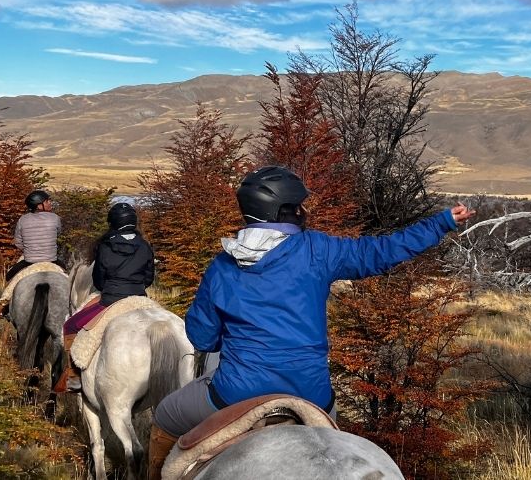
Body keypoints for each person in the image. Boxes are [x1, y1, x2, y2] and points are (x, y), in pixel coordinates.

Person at [145, 166, 475, 480]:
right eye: (299, 206)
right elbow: (380, 252)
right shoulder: (317, 249)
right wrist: (441, 223)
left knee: (165, 418)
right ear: (286, 210)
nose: (303, 211)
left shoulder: (223, 265)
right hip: (312, 394)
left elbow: (202, 338)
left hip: (236, 393)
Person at [54, 202, 156, 393]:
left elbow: (99, 280)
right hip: (140, 297)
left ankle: (74, 377)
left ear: (113, 223)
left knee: (71, 325)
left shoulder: (105, 246)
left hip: (111, 299)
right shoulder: (144, 246)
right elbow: (149, 278)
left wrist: (110, 288)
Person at [5, 190, 62, 283]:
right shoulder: (55, 218)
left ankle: (5, 297)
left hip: (29, 261)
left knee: (8, 277)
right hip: (51, 260)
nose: (50, 203)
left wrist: (30, 249)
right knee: (66, 274)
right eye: (47, 201)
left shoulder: (22, 219)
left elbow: (17, 242)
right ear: (39, 205)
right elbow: (58, 234)